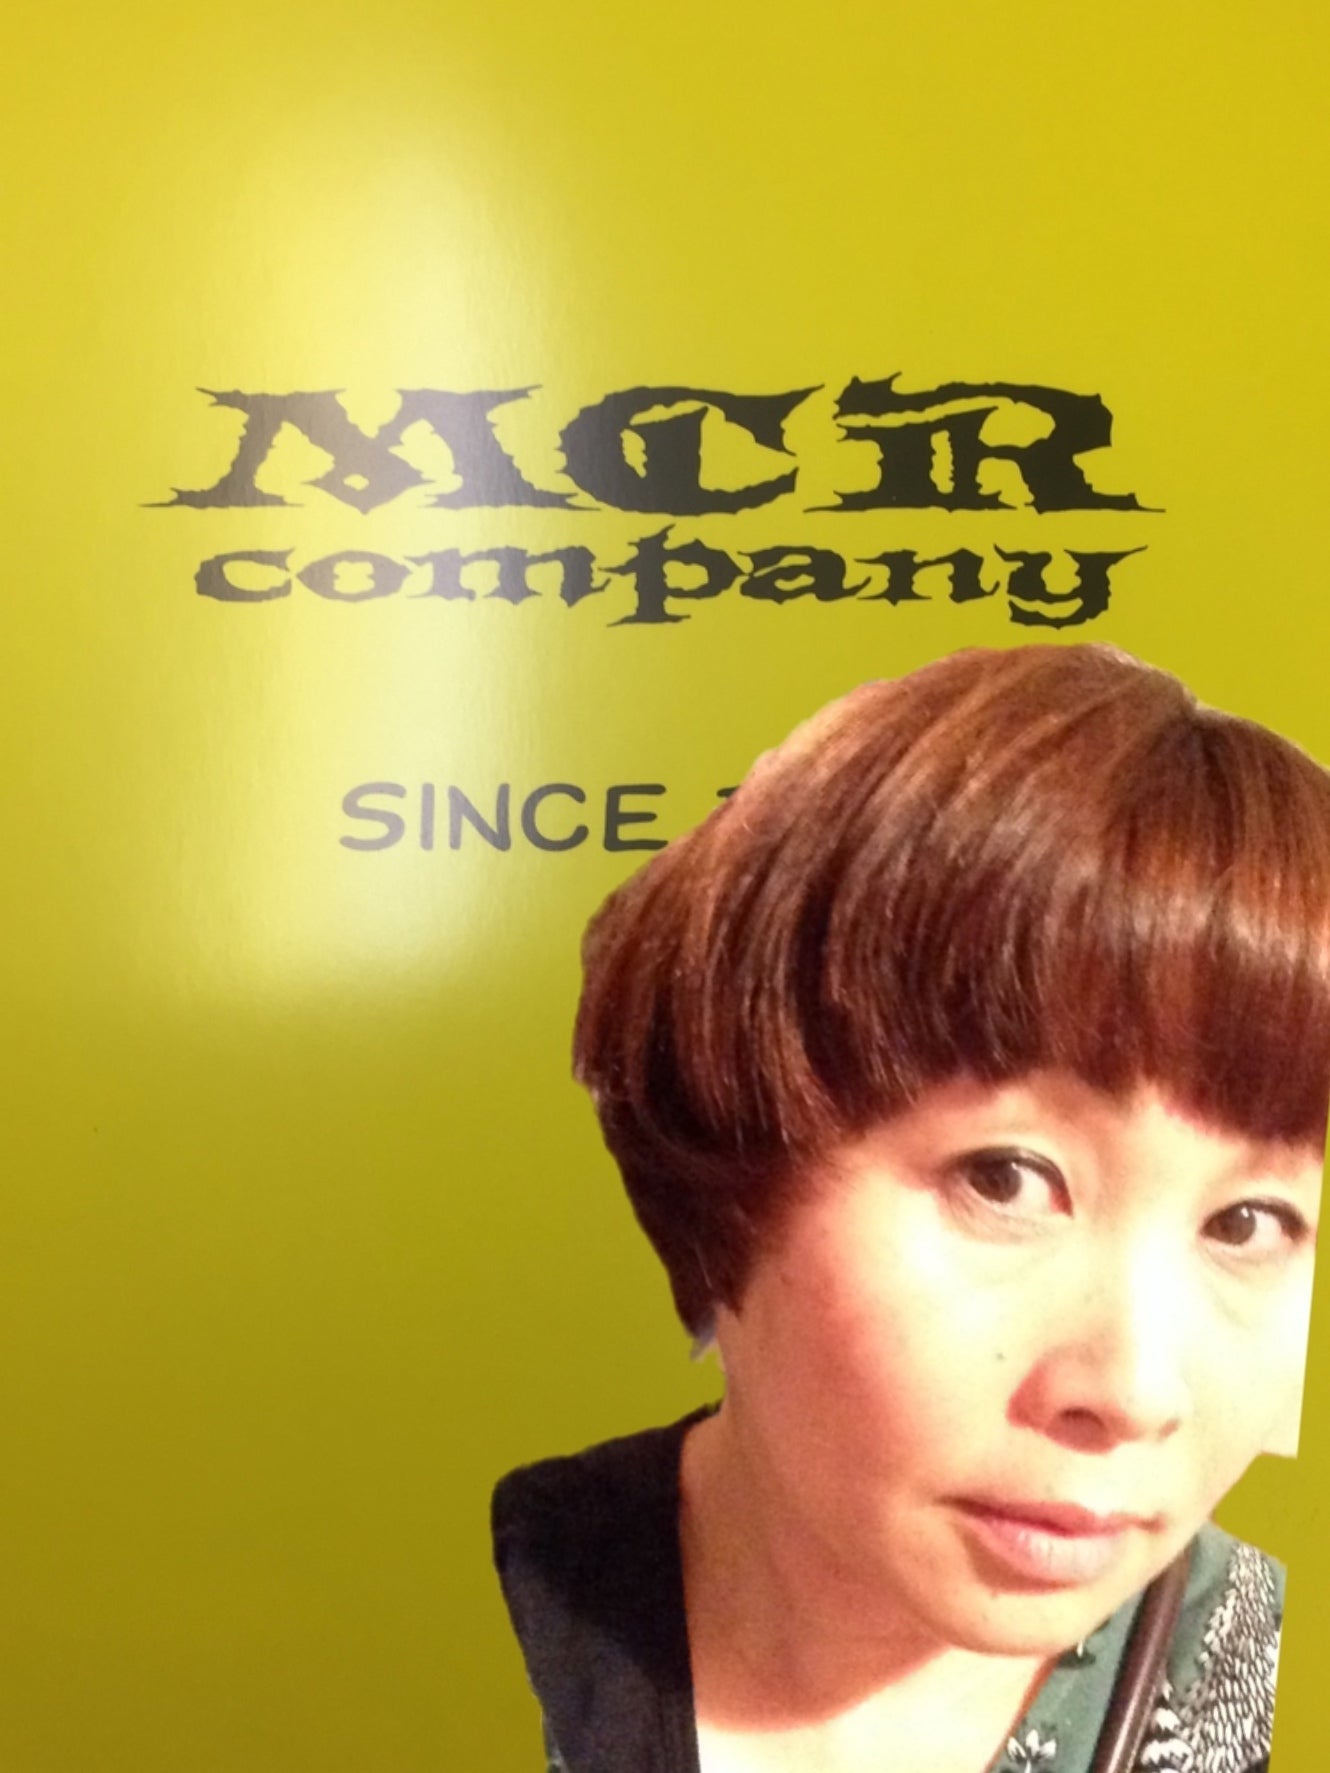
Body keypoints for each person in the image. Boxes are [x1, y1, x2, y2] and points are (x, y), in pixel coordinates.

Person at [492, 644, 1330, 1773]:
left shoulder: (1257, 1669)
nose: (1136, 1392)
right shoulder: (441, 1618)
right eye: (1004, 1178)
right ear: (734, 1156)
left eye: (1246, 1223)